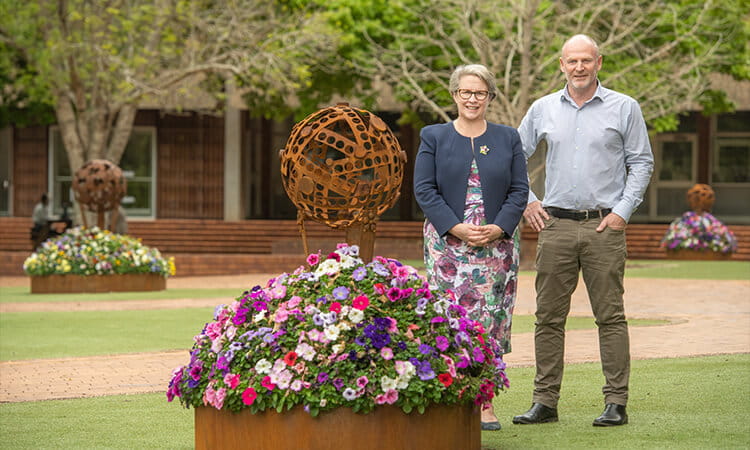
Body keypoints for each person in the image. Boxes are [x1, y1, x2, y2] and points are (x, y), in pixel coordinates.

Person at [512, 34, 654, 427]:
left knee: (610, 317)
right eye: (571, 61)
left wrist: (623, 211)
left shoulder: (625, 107)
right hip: (554, 225)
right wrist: (529, 200)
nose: (578, 67)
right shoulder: (542, 109)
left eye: (586, 61)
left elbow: (641, 162)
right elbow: (513, 157)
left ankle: (616, 403)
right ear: (561, 64)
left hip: (604, 226)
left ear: (598, 63)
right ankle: (545, 401)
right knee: (548, 318)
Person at [414, 64, 529, 431]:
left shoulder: (508, 138)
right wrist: (456, 227)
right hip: (448, 246)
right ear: (454, 95)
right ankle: (450, 400)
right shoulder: (433, 136)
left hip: (496, 249)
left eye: (480, 93)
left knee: (489, 323)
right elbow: (424, 189)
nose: (472, 99)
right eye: (466, 92)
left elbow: (519, 190)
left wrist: (499, 226)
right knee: (448, 321)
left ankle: (484, 403)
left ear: (490, 97)